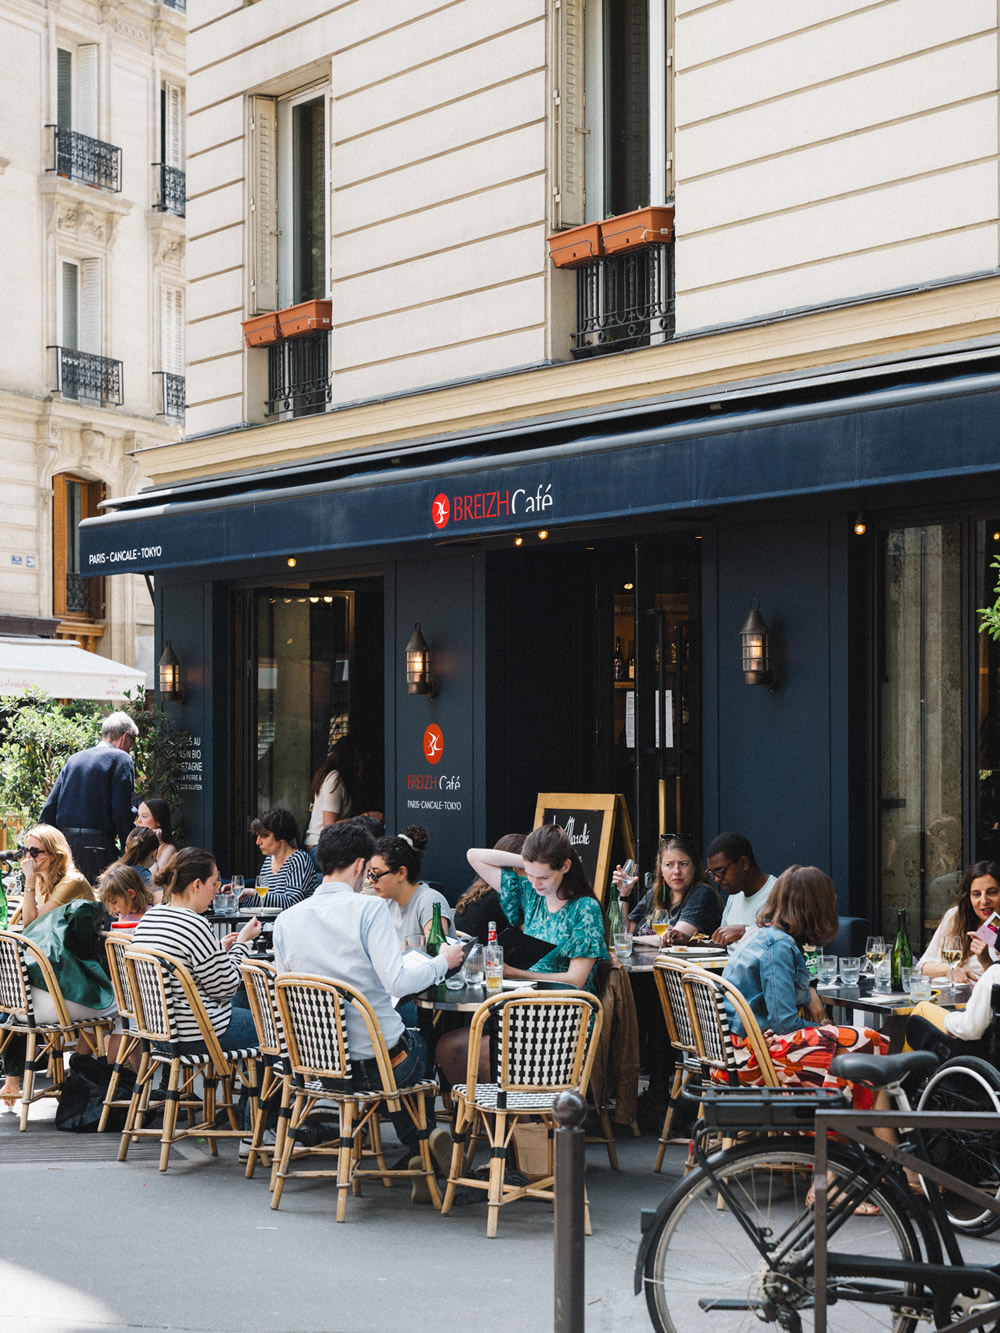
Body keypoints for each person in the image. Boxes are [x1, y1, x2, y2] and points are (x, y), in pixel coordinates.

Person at [272, 821, 463, 1193]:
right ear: (360, 865)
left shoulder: (286, 920)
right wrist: (443, 962)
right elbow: (397, 982)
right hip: (378, 1066)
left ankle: (420, 1153)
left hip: (315, 1069)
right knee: (419, 1046)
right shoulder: (368, 911)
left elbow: (287, 990)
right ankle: (424, 1146)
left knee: (395, 1054)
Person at [437, 825, 609, 1085]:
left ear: (565, 866)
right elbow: (474, 856)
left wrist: (515, 973)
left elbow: (576, 979)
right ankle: (497, 1122)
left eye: (543, 876)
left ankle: (519, 1122)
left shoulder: (585, 908)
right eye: (530, 874)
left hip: (565, 1018)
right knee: (448, 1048)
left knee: (479, 1053)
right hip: (524, 1011)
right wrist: (531, 859)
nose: (535, 882)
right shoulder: (532, 894)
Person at [721, 864, 888, 1095]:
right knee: (868, 1040)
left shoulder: (762, 934)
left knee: (854, 1044)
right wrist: (821, 1027)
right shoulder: (778, 946)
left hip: (733, 1052)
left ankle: (839, 1123)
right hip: (752, 1058)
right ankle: (849, 1124)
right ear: (814, 907)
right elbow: (785, 1024)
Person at [129, 848, 261, 1053]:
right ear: (197, 884)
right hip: (197, 1033)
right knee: (276, 1028)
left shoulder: (150, 918)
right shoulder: (194, 923)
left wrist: (218, 950)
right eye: (214, 883)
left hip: (156, 1031)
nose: (217, 890)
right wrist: (242, 942)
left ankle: (237, 1081)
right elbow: (225, 989)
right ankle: (254, 1085)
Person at [0, 891, 117, 1111]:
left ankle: (78, 1070)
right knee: (122, 1009)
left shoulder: (35, 932)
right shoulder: (68, 938)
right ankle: (107, 1081)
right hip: (51, 1011)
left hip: (19, 1012)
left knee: (101, 1008)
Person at [40, 711, 138, 883]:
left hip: (65, 845)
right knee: (99, 902)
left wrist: (43, 846)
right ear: (125, 737)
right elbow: (121, 811)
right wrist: (129, 850)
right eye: (132, 742)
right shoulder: (121, 758)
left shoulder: (74, 759)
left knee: (66, 901)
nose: (130, 747)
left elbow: (50, 807)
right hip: (97, 846)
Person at [613, 833, 722, 942]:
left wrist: (631, 939)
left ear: (694, 867)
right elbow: (624, 931)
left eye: (683, 864)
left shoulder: (702, 893)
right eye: (669, 865)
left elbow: (673, 939)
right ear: (661, 870)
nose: (676, 871)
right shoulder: (653, 894)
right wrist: (624, 895)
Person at [915, 860, 1000, 984]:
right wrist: (948, 969)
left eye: (992, 892)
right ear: (969, 897)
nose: (984, 900)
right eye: (976, 894)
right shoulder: (956, 916)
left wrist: (986, 962)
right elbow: (922, 968)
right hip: (946, 996)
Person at [368, 827, 453, 945]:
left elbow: (436, 951)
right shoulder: (388, 901)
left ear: (401, 873)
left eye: (376, 874)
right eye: (370, 874)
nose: (371, 880)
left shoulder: (430, 901)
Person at [707, 832, 778, 947]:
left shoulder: (779, 893)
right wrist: (687, 942)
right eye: (712, 873)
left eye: (720, 871)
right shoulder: (734, 895)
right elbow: (721, 947)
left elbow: (787, 936)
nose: (716, 880)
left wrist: (744, 931)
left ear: (744, 863)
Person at [240, 809, 319, 909]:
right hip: (268, 923)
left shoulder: (299, 860)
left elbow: (292, 902)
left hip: (291, 923)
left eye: (264, 836)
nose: (258, 842)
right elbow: (263, 902)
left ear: (281, 836)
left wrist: (253, 893)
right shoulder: (268, 861)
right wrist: (240, 896)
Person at [18, 825, 95, 927]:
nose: (28, 857)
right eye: (26, 851)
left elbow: (31, 925)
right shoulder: (41, 879)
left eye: (34, 851)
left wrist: (29, 879)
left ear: (55, 855)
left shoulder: (71, 881)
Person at [453, 833, 522, 942]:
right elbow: (527, 932)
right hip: (487, 955)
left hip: (464, 951)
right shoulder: (504, 895)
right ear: (515, 866)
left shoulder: (477, 889)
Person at [303, 736, 359, 854]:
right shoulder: (334, 778)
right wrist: (365, 818)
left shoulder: (334, 777)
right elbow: (330, 826)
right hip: (320, 847)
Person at [134, 797, 177, 874]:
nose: (138, 821)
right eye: (138, 815)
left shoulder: (169, 849)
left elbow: (153, 879)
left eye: (144, 816)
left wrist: (154, 844)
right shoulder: (139, 843)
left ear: (158, 821)